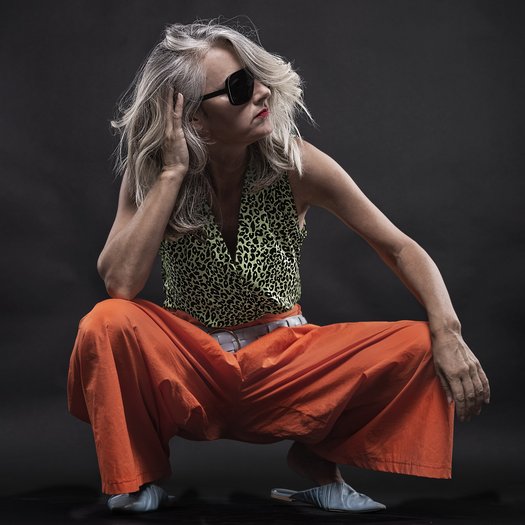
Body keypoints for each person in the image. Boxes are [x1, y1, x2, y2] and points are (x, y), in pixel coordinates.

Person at [67, 20, 490, 514]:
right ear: (194, 119)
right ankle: (139, 478)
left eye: (257, 78)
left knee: (421, 344)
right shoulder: (154, 173)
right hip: (193, 366)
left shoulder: (295, 164)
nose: (262, 93)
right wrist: (172, 174)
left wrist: (448, 330)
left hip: (286, 363)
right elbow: (119, 282)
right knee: (107, 321)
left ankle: (319, 463)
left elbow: (398, 247)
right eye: (239, 88)